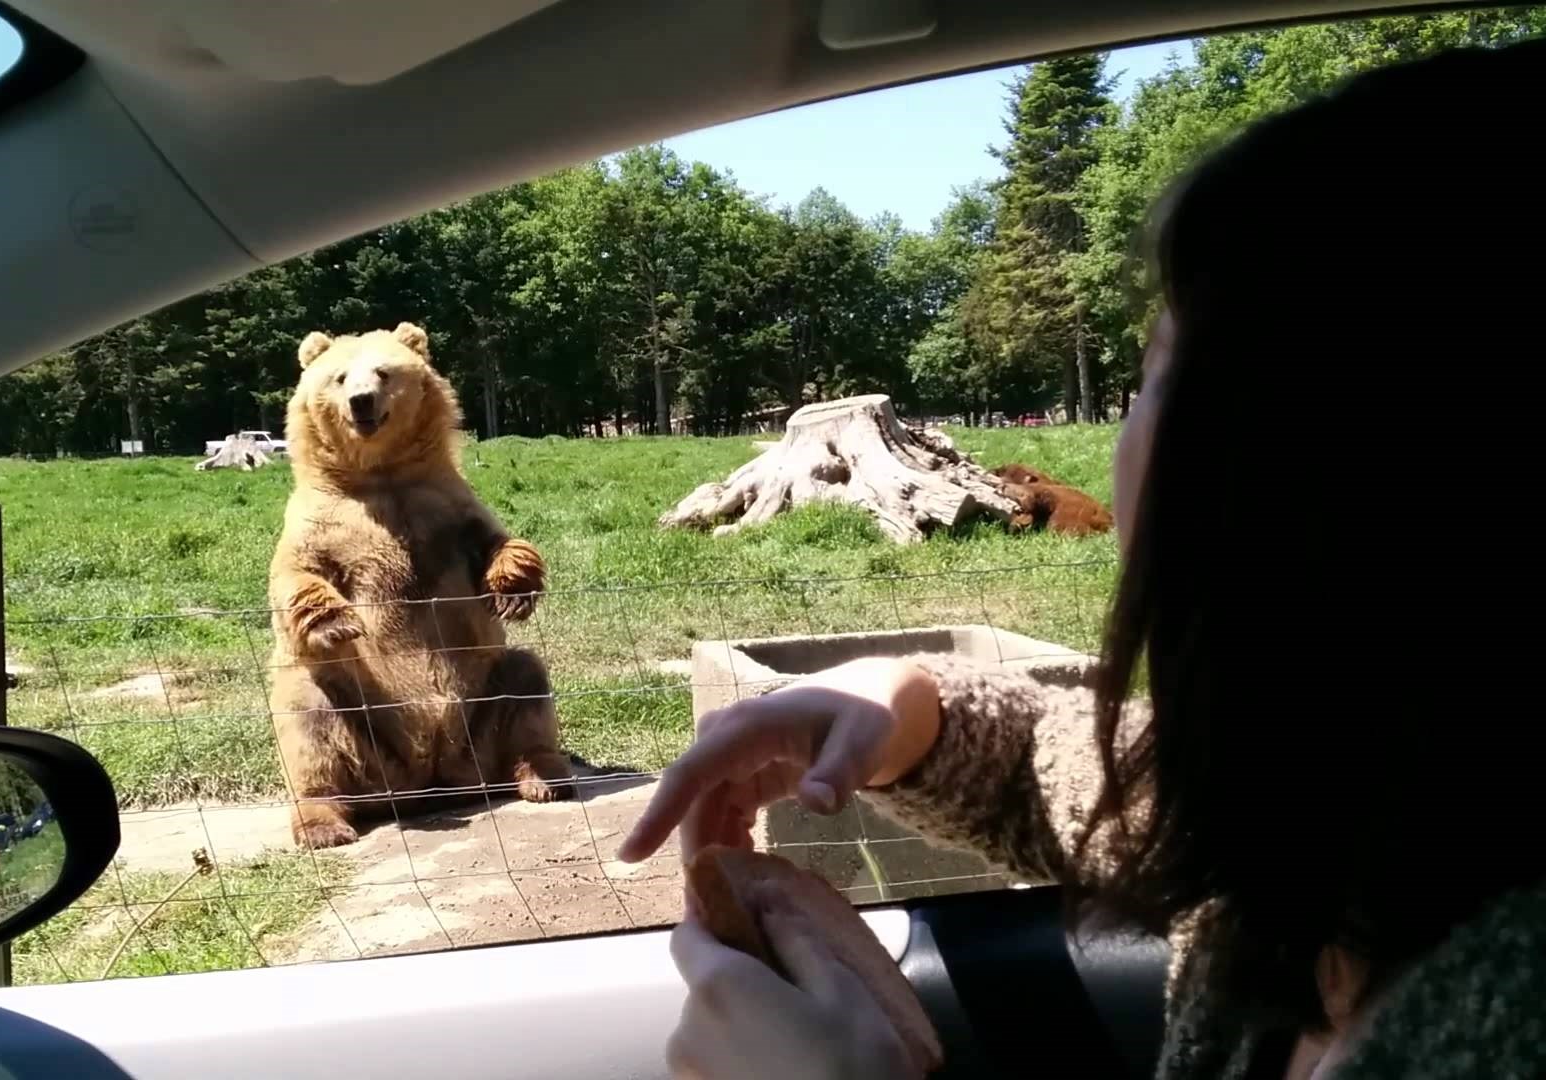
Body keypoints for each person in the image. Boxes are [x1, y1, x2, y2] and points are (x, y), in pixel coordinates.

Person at [617, 38, 1546, 1080]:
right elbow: (1051, 782)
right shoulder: (1320, 800)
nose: (1124, 430)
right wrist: (906, 710)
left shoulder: (1509, 1011)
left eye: (1157, 367)